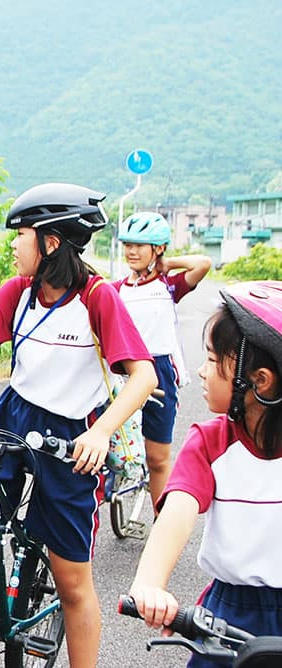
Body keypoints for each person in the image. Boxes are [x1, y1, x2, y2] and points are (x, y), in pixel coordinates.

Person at [0, 183, 157, 668]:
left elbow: (144, 376)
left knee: (72, 582)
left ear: (51, 242)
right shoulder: (18, 292)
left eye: (22, 235)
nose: (14, 245)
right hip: (13, 418)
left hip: (73, 438)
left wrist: (100, 433)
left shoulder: (97, 298)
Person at [129, 281, 282, 667]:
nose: (201, 370)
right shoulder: (210, 442)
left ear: (260, 380)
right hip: (230, 615)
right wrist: (149, 583)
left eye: (212, 360)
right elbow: (177, 514)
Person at [115, 212, 212, 509]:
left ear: (158, 248)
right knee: (111, 446)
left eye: (140, 245)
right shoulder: (116, 289)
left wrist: (168, 264)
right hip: (123, 370)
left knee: (157, 458)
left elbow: (203, 263)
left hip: (160, 372)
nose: (131, 251)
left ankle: (161, 520)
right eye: (128, 244)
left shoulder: (169, 284)